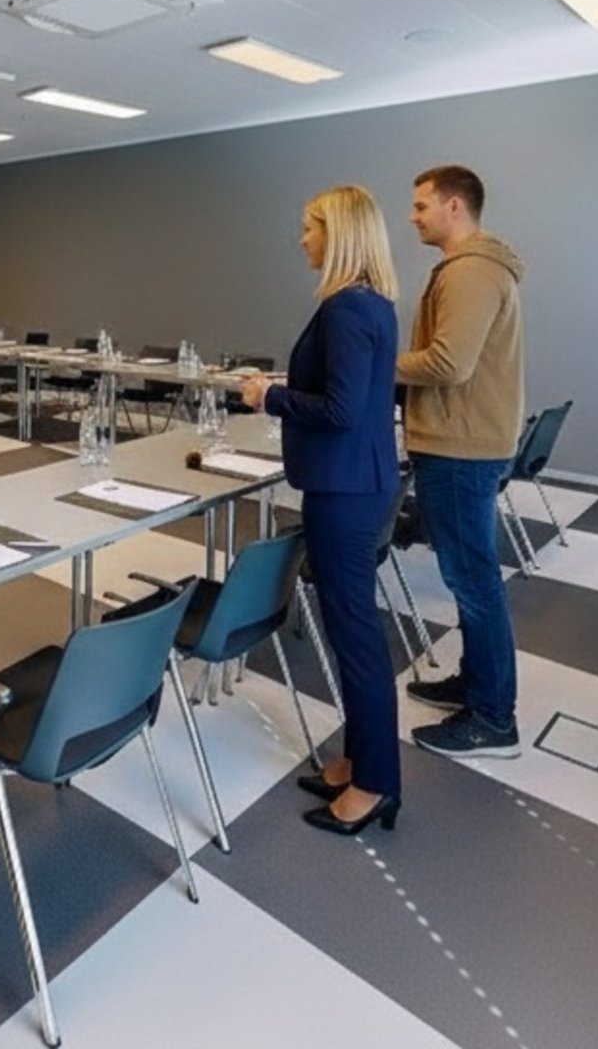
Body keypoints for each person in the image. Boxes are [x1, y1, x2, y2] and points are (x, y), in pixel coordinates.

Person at [242, 185, 402, 835]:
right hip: (357, 483)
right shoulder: (374, 304)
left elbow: (337, 410)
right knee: (350, 631)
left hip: (343, 491)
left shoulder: (344, 309)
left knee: (356, 638)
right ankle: (358, 759)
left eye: (308, 229)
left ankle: (376, 783)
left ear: (335, 235)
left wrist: (270, 395)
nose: (301, 240)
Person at [398, 164, 527, 759]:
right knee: (471, 578)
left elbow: (450, 364)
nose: (414, 215)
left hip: (459, 446)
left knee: (473, 582)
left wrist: (377, 363)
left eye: (422, 205)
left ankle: (494, 720)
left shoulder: (471, 272)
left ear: (455, 207)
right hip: (467, 442)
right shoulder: (472, 268)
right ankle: (477, 688)